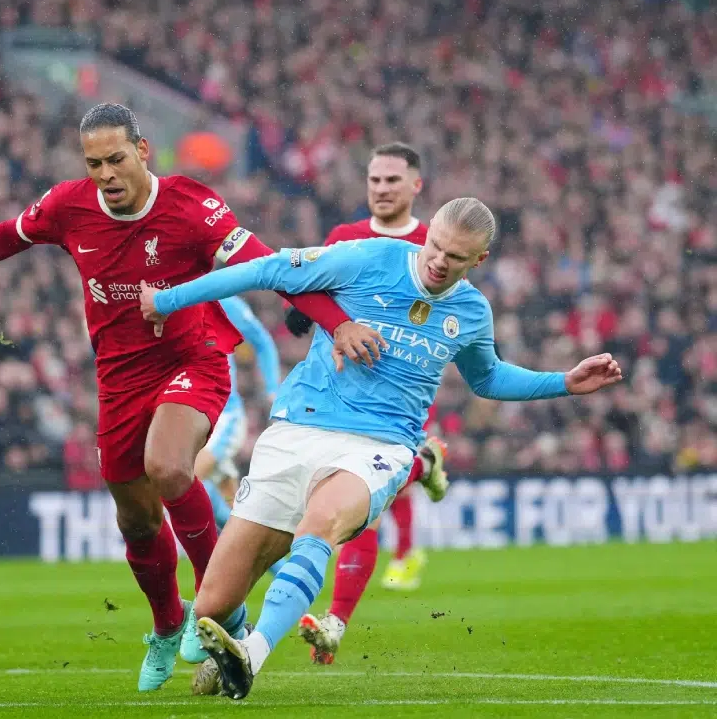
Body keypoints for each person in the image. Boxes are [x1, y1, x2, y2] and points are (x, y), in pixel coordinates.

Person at [0, 103, 387, 691]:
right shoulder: (68, 206)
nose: (105, 173)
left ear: (141, 151)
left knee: (169, 466)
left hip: (193, 361)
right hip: (120, 379)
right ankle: (167, 624)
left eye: (115, 159)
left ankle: (217, 605)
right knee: (135, 520)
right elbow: (5, 237)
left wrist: (337, 323)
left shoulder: (193, 206)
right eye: (93, 163)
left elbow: (271, 267)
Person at [140, 197, 623, 700]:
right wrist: (170, 300)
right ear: (428, 232)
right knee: (213, 605)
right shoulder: (370, 257)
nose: (440, 261)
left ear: (478, 260)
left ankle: (252, 653)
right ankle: (234, 633)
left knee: (320, 523)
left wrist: (564, 382)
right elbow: (267, 269)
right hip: (298, 428)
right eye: (436, 246)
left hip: (381, 444)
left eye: (456, 257)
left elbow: (488, 377)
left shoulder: (471, 311)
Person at [287, 142, 450, 665]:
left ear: (416, 186)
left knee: (365, 509)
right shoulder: (345, 237)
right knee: (345, 509)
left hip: (398, 399)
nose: (381, 188)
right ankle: (424, 464)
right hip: (338, 393)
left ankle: (335, 622)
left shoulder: (435, 244)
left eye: (392, 180)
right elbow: (310, 291)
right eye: (375, 180)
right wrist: (304, 312)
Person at [196, 296, 281, 534]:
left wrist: (272, 389)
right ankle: (271, 553)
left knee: (184, 479)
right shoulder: (163, 300)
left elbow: (261, 340)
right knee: (231, 513)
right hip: (188, 419)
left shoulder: (222, 301)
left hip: (223, 416)